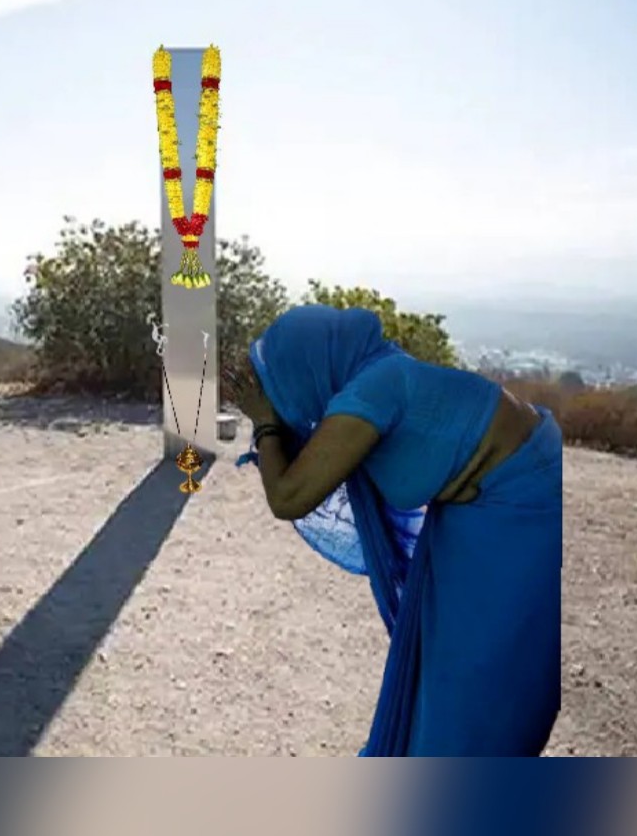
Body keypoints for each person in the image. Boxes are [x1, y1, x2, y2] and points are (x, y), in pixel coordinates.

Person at [222, 304, 562, 756]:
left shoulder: (373, 391)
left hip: (513, 507)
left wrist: (264, 419)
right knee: (444, 669)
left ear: (311, 363)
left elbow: (289, 497)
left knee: (481, 679)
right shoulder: (375, 373)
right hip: (474, 508)